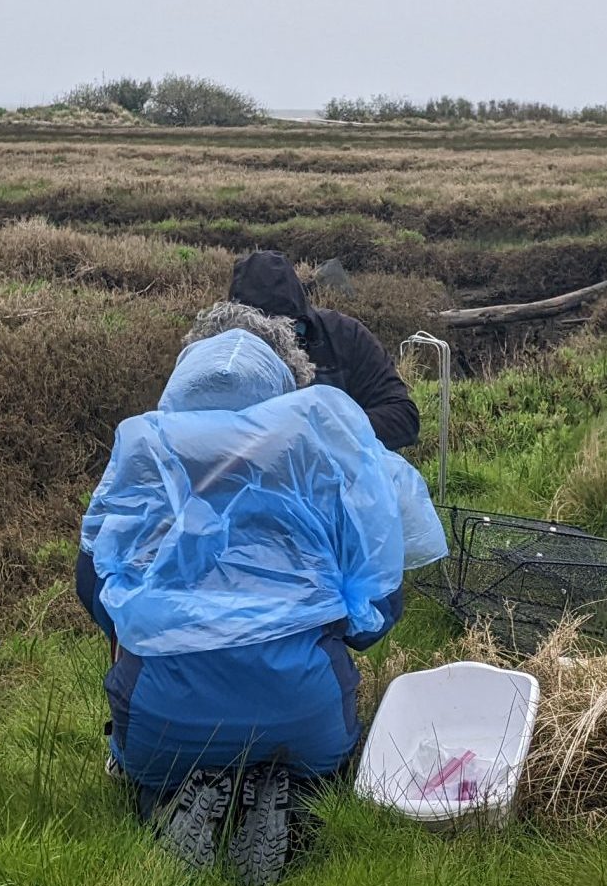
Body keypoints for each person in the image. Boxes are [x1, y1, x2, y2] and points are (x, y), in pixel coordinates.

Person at [74, 325, 446, 832]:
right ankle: (295, 794)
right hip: (305, 715)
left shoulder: (143, 465)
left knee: (149, 732)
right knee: (312, 740)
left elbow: (94, 593)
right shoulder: (323, 478)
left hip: (160, 720)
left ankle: (162, 794)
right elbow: (373, 619)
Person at [228, 250, 421, 449]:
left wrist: (322, 430)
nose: (275, 342)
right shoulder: (220, 354)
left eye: (284, 331)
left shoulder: (346, 337)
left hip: (343, 476)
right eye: (257, 333)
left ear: (300, 320)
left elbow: (403, 417)